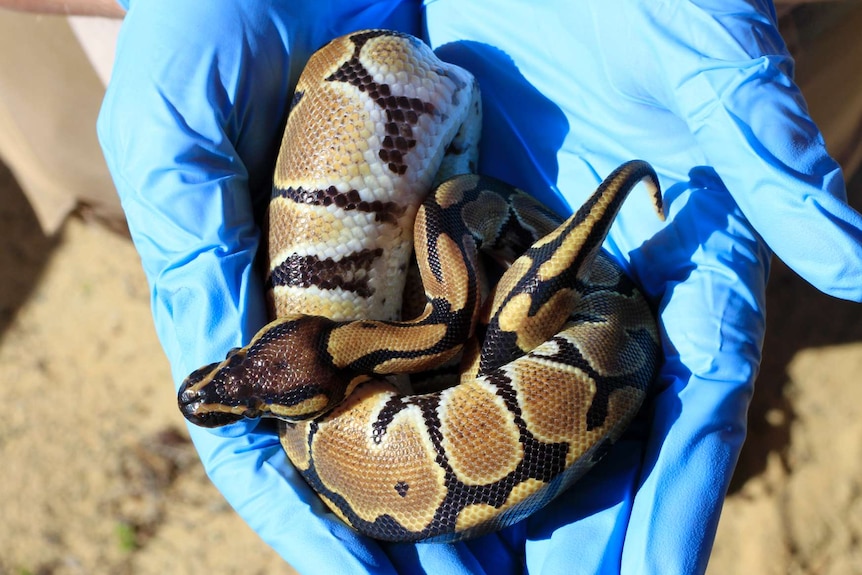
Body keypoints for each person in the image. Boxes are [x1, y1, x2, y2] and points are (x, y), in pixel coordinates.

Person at [89, 0, 862, 573]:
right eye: (252, 394)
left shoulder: (381, 337)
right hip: (462, 292)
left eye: (249, 391)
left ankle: (608, 437)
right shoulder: (378, 313)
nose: (217, 397)